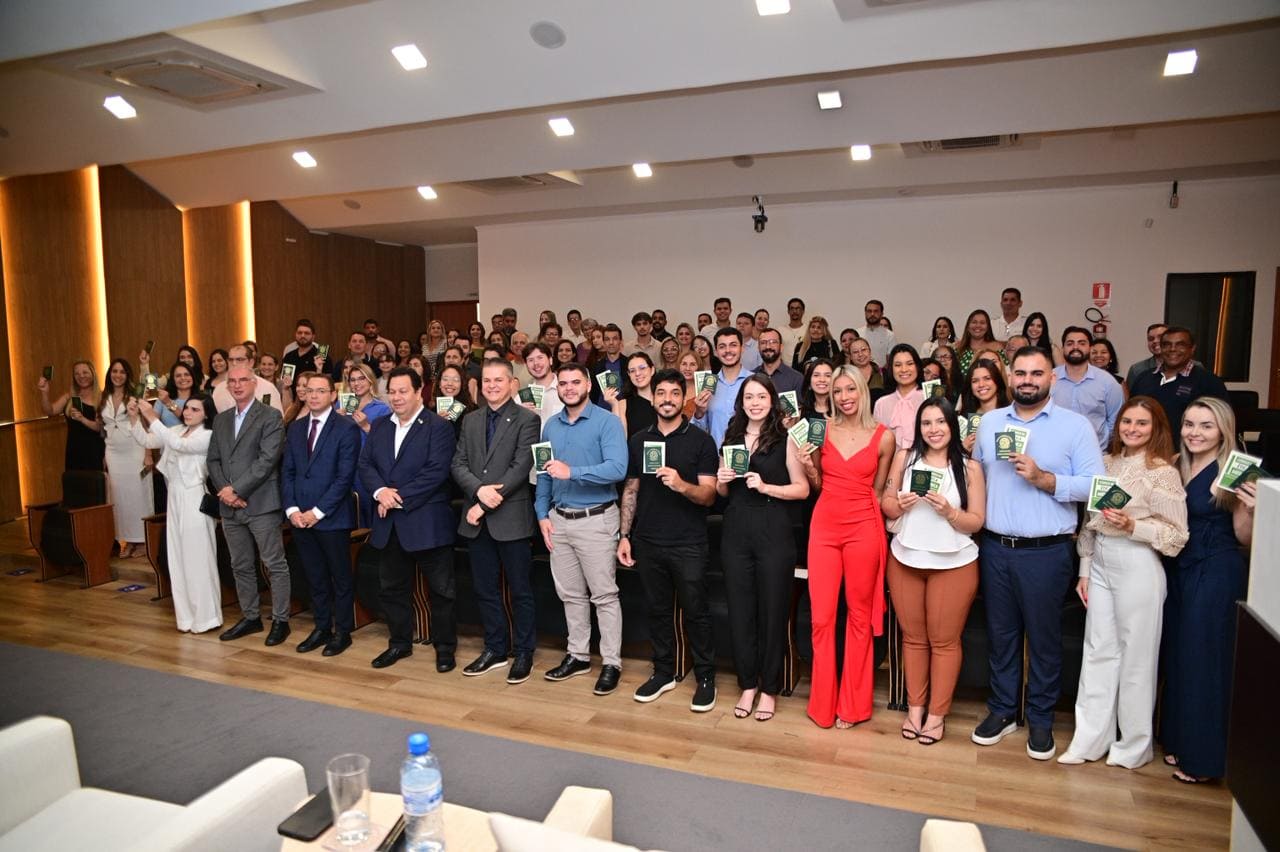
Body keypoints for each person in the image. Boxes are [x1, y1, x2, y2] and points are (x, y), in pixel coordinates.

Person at [970, 346, 1104, 760]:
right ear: (1010, 377)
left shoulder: (1075, 426)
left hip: (1046, 552)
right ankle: (1003, 710)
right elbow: (977, 477)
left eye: (1037, 373)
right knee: (1001, 636)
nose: (1027, 380)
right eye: (1021, 373)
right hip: (995, 548)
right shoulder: (991, 422)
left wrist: (1046, 479)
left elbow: (1095, 485)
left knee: (1044, 640)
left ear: (1052, 378)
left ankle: (1041, 718)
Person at [1058, 397, 1188, 769]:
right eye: (1127, 421)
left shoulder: (1162, 472)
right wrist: (1085, 569)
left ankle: (1133, 745)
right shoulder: (1105, 462)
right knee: (1097, 651)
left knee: (1137, 657)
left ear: (1156, 428)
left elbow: (1177, 536)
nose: (1132, 429)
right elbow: (1090, 521)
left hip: (1138, 563)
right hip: (1101, 561)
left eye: (1142, 423)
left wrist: (1134, 526)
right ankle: (1089, 740)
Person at [1161, 397, 1256, 784]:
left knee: (1204, 660)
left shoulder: (1237, 468)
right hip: (1178, 569)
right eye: (1189, 424)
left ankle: (1203, 760)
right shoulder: (1175, 464)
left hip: (1215, 570)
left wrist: (1252, 509)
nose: (1194, 433)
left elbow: (1244, 538)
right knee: (1178, 655)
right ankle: (1178, 740)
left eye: (1205, 426)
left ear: (1223, 430)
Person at [880, 398, 985, 745]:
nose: (934, 429)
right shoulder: (904, 458)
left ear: (952, 425)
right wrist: (900, 503)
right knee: (913, 638)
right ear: (919, 428)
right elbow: (886, 503)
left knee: (944, 642)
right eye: (926, 423)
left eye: (940, 422)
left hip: (954, 564)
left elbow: (976, 521)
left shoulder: (970, 467)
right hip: (905, 558)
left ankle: (937, 715)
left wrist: (950, 513)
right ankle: (915, 710)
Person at [798, 365, 895, 728]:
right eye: (837, 391)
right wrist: (809, 466)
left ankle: (853, 706)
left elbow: (877, 490)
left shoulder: (884, 437)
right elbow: (818, 484)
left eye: (850, 389)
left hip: (863, 527)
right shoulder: (821, 429)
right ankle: (822, 704)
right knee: (821, 618)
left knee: (858, 617)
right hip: (824, 526)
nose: (844, 397)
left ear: (862, 390)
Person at [619, 369, 719, 711]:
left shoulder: (701, 441)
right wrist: (624, 536)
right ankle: (663, 672)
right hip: (648, 540)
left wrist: (681, 485)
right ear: (653, 398)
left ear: (682, 398)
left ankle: (705, 677)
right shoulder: (638, 440)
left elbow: (708, 495)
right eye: (661, 393)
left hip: (689, 542)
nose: (667, 399)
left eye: (675, 393)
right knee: (657, 611)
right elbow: (631, 489)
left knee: (696, 612)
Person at [716, 374, 809, 722]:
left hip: (774, 528)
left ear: (772, 401)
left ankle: (769, 688)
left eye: (761, 397)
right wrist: (723, 480)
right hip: (736, 529)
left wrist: (766, 486)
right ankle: (748, 684)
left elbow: (802, 489)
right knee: (741, 611)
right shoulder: (731, 437)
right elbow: (722, 494)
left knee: (772, 611)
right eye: (749, 397)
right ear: (741, 402)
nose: (755, 403)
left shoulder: (786, 438)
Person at [535, 362, 629, 695]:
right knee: (570, 594)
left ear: (589, 385)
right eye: (563, 383)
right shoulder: (550, 426)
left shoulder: (607, 421)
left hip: (596, 520)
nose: (569, 388)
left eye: (576, 382)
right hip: (559, 520)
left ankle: (611, 662)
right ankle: (578, 656)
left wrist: (572, 472)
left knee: (604, 595)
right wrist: (542, 514)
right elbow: (544, 472)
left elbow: (617, 469)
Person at [359, 366, 458, 671]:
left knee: (441, 591)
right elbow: (366, 465)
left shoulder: (438, 426)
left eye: (403, 391)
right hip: (389, 524)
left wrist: (395, 497)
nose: (397, 397)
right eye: (392, 392)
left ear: (419, 393)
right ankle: (399, 644)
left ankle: (445, 648)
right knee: (391, 589)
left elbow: (436, 472)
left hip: (427, 521)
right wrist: (380, 492)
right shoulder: (379, 426)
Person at [452, 359, 542, 685]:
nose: (491, 386)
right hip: (477, 519)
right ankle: (495, 649)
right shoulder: (470, 419)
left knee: (521, 590)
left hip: (511, 518)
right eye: (486, 381)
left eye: (498, 380)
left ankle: (524, 652)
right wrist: (479, 492)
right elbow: (458, 463)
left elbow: (520, 467)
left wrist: (484, 503)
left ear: (512, 384)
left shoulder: (528, 419)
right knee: (485, 589)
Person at [207, 366, 291, 646]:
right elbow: (213, 460)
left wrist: (236, 490)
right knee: (240, 564)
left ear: (254, 383)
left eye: (243, 380)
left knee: (274, 564)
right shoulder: (221, 420)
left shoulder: (270, 415)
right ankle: (251, 616)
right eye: (232, 381)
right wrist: (225, 491)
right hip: (230, 506)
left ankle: (281, 620)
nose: (237, 385)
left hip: (261, 503)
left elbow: (267, 461)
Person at [281, 373, 362, 657]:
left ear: (333, 395)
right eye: (309, 391)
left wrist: (317, 512)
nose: (314, 395)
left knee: (340, 577)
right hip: (299, 518)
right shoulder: (296, 428)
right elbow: (287, 471)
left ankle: (343, 632)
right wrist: (292, 509)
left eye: (320, 391)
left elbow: (344, 478)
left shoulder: (346, 428)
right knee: (314, 576)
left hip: (332, 517)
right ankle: (322, 627)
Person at [127, 394, 222, 633]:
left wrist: (152, 416)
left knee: (198, 557)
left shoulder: (208, 435)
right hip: (175, 497)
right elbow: (147, 440)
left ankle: (207, 618)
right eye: (187, 408)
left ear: (206, 414)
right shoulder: (177, 430)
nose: (188, 412)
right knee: (177, 557)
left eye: (195, 409)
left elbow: (181, 446)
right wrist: (135, 418)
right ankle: (186, 618)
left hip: (194, 497)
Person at [1128, 327, 1229, 449]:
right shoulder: (1143, 378)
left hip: (1187, 453)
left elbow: (1223, 423)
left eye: (1180, 345)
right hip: (1145, 451)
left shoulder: (1209, 382)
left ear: (1192, 348)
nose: (1172, 349)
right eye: (1167, 345)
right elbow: (1130, 414)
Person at [98, 358, 152, 558]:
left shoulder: (134, 394)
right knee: (119, 497)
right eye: (114, 371)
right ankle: (127, 539)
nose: (118, 375)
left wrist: (148, 453)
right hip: (113, 452)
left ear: (127, 375)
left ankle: (143, 540)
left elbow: (145, 422)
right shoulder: (103, 397)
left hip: (134, 448)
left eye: (122, 371)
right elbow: (103, 427)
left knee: (139, 495)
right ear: (109, 374)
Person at [1051, 326, 1124, 450]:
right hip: (1056, 453)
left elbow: (1116, 421)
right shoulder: (1048, 379)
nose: (1075, 347)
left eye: (1082, 343)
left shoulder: (1107, 382)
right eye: (1070, 343)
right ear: (1063, 349)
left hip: (1096, 454)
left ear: (1090, 348)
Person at [38, 360, 104, 472]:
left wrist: (82, 419)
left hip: (95, 453)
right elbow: (50, 411)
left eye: (85, 372)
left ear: (93, 374)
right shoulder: (69, 397)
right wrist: (44, 393)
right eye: (77, 374)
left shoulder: (102, 397)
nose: (81, 376)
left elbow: (100, 427)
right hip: (74, 453)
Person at [692, 328, 750, 447]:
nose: (728, 350)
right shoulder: (707, 384)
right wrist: (699, 413)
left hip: (751, 455)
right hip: (715, 455)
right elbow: (698, 432)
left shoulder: (755, 382)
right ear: (716, 351)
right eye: (722, 346)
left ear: (742, 348)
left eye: (733, 345)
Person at [873, 344, 925, 450]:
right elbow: (877, 444)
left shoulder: (929, 397)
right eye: (897, 365)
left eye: (910, 364)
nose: (904, 369)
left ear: (917, 366)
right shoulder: (881, 404)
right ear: (891, 369)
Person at [213, 345, 285, 413]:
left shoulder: (267, 388)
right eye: (231, 360)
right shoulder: (219, 389)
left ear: (251, 362)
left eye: (239, 359)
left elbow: (276, 418)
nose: (234, 363)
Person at [959, 359, 1010, 452]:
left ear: (997, 381)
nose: (981, 384)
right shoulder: (963, 420)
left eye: (987, 378)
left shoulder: (1011, 415)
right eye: (975, 381)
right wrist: (963, 449)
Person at [613, 352, 657, 438]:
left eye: (642, 368)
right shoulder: (623, 404)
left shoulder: (664, 400)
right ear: (629, 374)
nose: (637, 373)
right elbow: (619, 439)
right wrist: (614, 404)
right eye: (632, 371)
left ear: (652, 370)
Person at [754, 327, 804, 396]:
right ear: (758, 347)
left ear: (781, 347)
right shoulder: (751, 376)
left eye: (773, 342)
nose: (768, 346)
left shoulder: (796, 378)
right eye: (763, 343)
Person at [956, 310, 1004, 375]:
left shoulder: (996, 347)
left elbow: (1004, 372)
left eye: (982, 323)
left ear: (988, 327)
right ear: (968, 326)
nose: (978, 325)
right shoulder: (957, 347)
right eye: (974, 322)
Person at [590, 324, 626, 408]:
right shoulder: (596, 366)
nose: (611, 342)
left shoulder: (629, 364)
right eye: (607, 339)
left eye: (615, 339)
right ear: (603, 342)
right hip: (601, 411)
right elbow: (593, 394)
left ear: (620, 341)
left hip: (625, 411)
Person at [153, 362, 197, 427]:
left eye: (187, 374)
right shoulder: (163, 399)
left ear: (192, 377)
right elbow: (152, 424)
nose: (183, 378)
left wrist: (169, 403)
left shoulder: (201, 400)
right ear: (173, 380)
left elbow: (191, 422)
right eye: (178, 376)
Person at [281, 320, 319, 393]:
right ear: (295, 334)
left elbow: (327, 382)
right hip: (291, 397)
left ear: (313, 336)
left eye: (306, 333)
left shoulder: (320, 356)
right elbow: (284, 382)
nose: (302, 336)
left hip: (313, 396)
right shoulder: (289, 356)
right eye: (299, 333)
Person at [1124, 323, 1167, 389]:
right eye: (1151, 339)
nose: (1155, 341)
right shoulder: (1137, 370)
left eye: (1160, 337)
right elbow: (1130, 394)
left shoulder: (1182, 368)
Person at [856, 300, 896, 368]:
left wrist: (880, 372)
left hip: (882, 373)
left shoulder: (890, 335)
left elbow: (891, 360)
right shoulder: (857, 333)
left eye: (876, 311)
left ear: (882, 313)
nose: (872, 314)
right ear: (865, 313)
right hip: (859, 372)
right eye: (869, 311)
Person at [678, 351, 701, 418]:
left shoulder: (703, 389)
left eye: (692, 364)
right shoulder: (671, 387)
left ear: (698, 367)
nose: (688, 368)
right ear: (679, 366)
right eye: (684, 364)